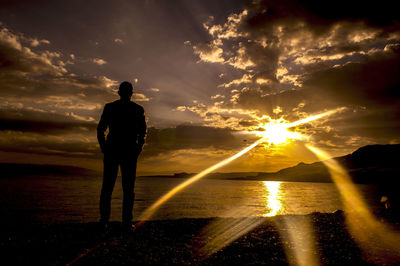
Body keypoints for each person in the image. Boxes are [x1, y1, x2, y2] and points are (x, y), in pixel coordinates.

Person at [97, 81, 146, 231]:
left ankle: (118, 221)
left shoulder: (135, 109)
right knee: (115, 188)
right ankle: (114, 221)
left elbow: (142, 132)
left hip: (123, 151)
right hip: (118, 150)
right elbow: (101, 129)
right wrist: (104, 147)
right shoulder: (115, 108)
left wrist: (138, 148)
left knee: (120, 188)